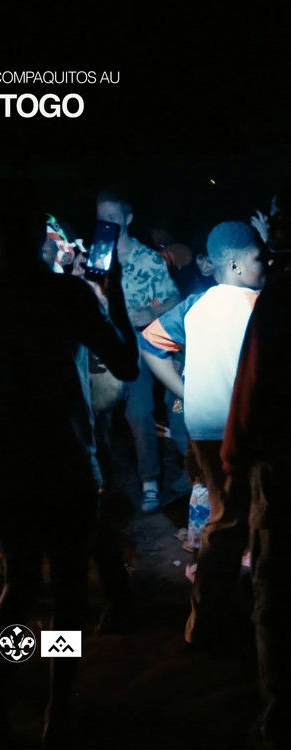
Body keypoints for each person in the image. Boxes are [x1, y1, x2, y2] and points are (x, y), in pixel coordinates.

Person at [0, 189, 138, 748]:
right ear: (42, 234)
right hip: (65, 459)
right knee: (67, 594)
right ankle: (57, 714)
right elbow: (127, 365)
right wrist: (110, 295)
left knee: (18, 588)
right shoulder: (67, 294)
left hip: (4, 462)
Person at [139, 221, 266, 652]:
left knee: (223, 516)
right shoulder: (260, 306)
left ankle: (210, 615)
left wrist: (183, 391)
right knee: (246, 519)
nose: (264, 265)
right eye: (258, 257)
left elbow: (150, 344)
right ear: (236, 263)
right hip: (244, 428)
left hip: (204, 429)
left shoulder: (194, 306)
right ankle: (219, 618)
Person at [221, 186, 291, 749]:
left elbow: (251, 386)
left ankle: (278, 720)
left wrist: (234, 455)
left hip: (282, 465)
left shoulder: (278, 298)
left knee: (276, 594)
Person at [96, 189, 181, 512]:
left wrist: (150, 313)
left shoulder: (148, 259)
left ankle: (149, 482)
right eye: (101, 218)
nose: (107, 223)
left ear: (128, 218)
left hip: (137, 346)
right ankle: (101, 483)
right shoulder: (95, 257)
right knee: (97, 418)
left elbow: (174, 300)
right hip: (100, 346)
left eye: (112, 217)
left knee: (139, 413)